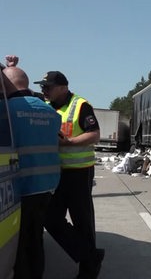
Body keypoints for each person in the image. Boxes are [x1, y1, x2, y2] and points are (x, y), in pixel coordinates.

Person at [36, 71, 104, 279]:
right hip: (57, 173)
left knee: (82, 220)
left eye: (48, 87)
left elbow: (95, 134)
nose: (44, 90)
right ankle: (90, 256)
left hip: (79, 173)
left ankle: (88, 270)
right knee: (50, 218)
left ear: (63, 88)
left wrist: (69, 142)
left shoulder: (81, 105)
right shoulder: (47, 107)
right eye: (43, 87)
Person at [2, 55, 61, 279]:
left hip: (21, 188)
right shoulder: (50, 112)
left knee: (19, 244)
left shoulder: (5, 109)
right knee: (35, 238)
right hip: (47, 186)